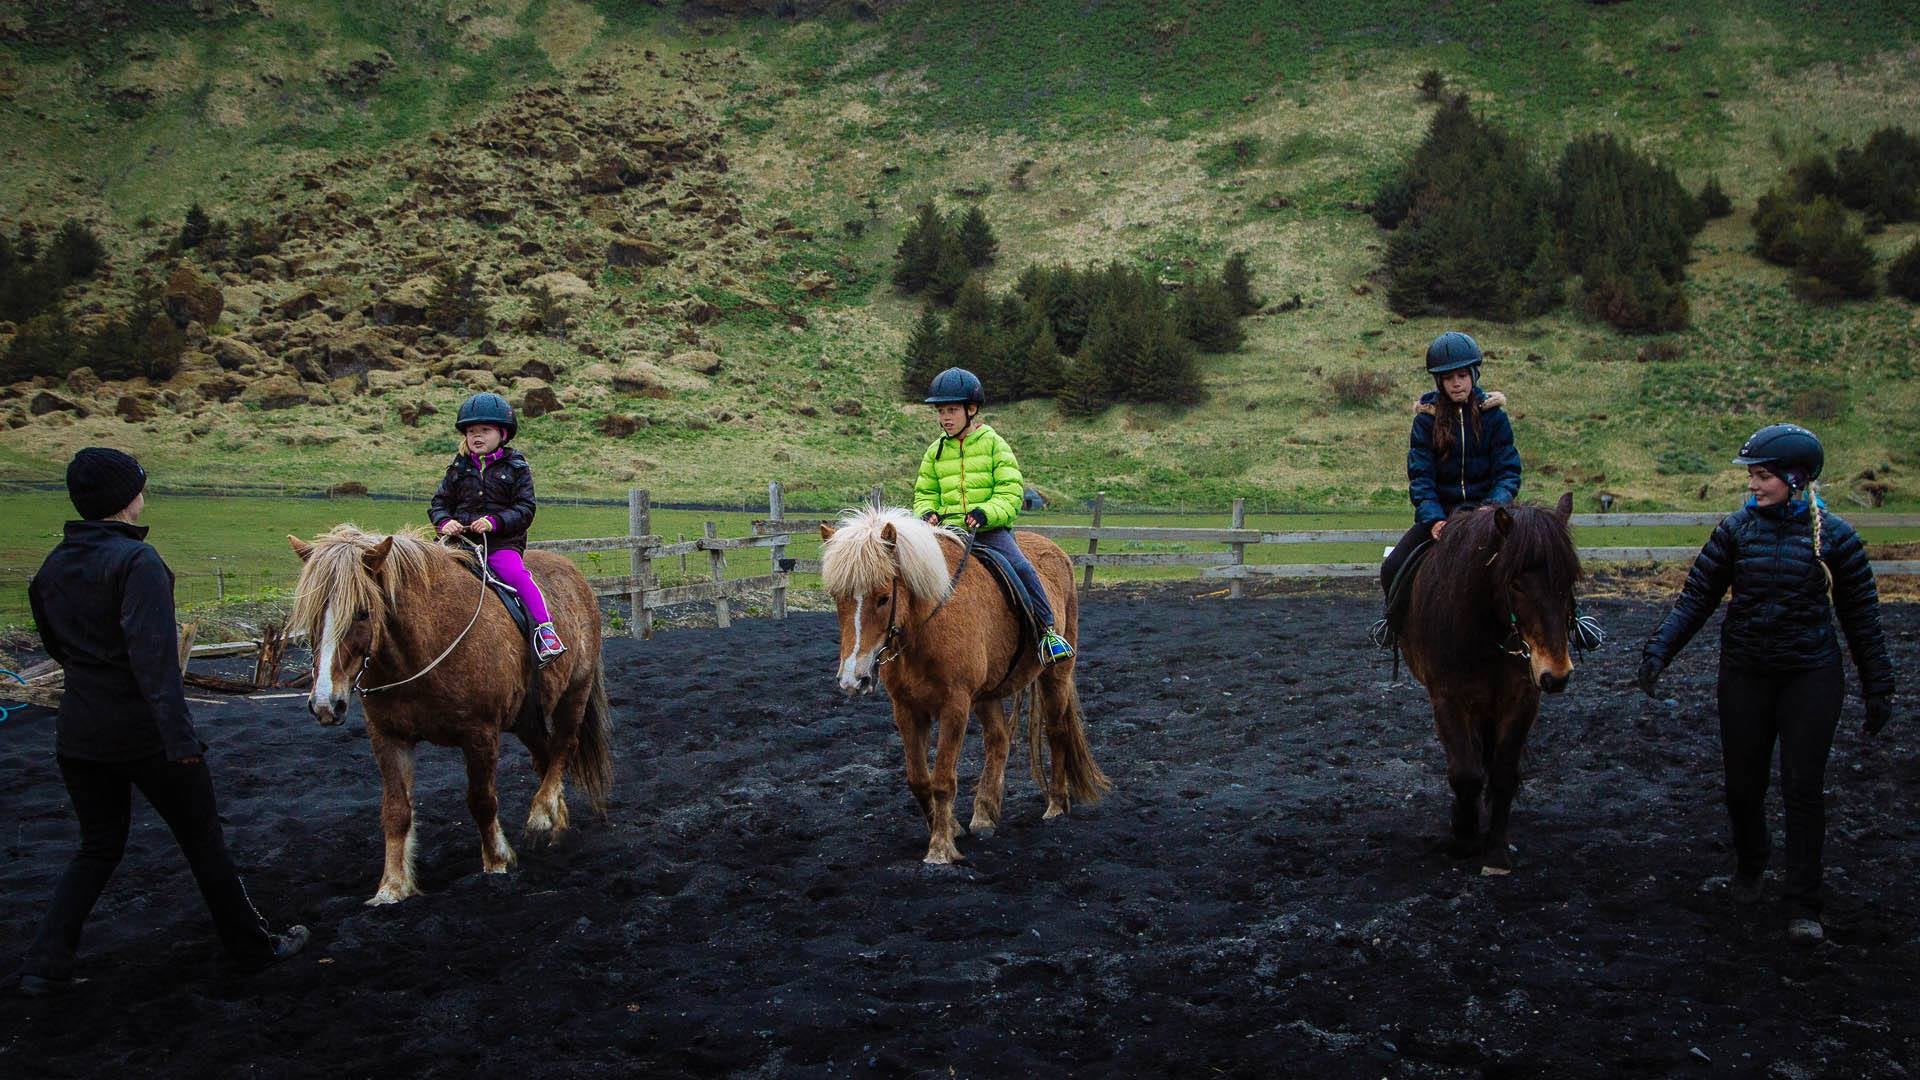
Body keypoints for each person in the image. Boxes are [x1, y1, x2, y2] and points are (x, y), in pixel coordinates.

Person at [20, 448, 309, 996]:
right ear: (128, 499)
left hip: (78, 731)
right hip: (145, 733)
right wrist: (180, 740)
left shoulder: (52, 566)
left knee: (97, 846)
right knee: (204, 842)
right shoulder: (138, 562)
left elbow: (57, 647)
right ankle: (253, 948)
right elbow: (154, 661)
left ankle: (43, 963)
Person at [1637, 423, 1896, 946]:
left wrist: (1879, 686)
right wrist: (1659, 651)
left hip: (1810, 678)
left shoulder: (1838, 540)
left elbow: (1862, 618)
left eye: (1762, 477)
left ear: (1794, 479)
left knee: (1802, 789)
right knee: (1742, 788)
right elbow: (1696, 598)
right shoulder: (1736, 531)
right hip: (1745, 675)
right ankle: (1751, 865)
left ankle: (1804, 902)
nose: (1753, 486)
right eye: (1752, 477)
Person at [913, 368, 1073, 664]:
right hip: (946, 534)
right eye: (940, 411)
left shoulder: (994, 444)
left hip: (988, 531)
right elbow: (924, 492)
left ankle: (1048, 632)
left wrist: (986, 512)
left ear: (971, 409)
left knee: (1022, 567)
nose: (944, 417)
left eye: (951, 410)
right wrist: (928, 513)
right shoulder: (934, 452)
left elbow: (1011, 492)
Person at [1373, 331, 1521, 645]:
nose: (1457, 383)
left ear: (1473, 375)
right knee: (1392, 567)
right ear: (1439, 382)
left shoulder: (1495, 417)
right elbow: (1421, 477)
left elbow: (1508, 471)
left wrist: (1492, 507)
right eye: (1449, 377)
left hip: (1489, 513)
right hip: (1442, 516)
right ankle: (1395, 628)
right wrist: (1433, 519)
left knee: (1539, 557)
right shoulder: (1425, 423)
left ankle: (1570, 624)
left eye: (1463, 375)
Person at [429, 392, 565, 665]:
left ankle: (545, 631)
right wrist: (445, 522)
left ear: (502, 434)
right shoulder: (457, 469)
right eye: (471, 431)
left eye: (485, 430)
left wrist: (495, 522)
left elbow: (525, 508)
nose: (476, 436)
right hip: (459, 545)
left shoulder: (516, 468)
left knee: (516, 575)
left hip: (500, 544)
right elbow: (439, 503)